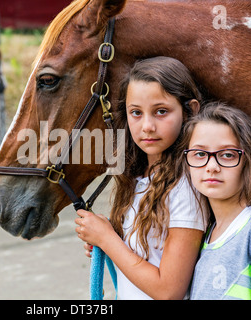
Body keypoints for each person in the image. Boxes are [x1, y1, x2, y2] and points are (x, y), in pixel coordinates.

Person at [75, 57, 208, 300]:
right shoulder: (139, 179)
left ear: (190, 110)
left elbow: (168, 291)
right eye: (136, 112)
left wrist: (108, 240)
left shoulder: (186, 187)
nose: (147, 126)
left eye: (161, 111)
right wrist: (111, 239)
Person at [179, 102, 251, 300]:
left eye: (227, 155)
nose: (212, 166)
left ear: (249, 161)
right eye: (200, 154)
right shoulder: (205, 234)